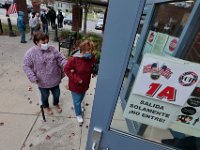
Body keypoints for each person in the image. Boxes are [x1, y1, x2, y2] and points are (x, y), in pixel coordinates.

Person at [23, 32, 67, 115]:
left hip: (55, 79)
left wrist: (66, 65)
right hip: (42, 81)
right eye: (43, 43)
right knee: (45, 96)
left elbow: (61, 59)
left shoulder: (52, 49)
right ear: (36, 42)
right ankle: (46, 106)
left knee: (57, 94)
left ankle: (56, 103)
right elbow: (26, 65)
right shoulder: (31, 53)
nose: (46, 44)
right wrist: (32, 76)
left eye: (47, 42)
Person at [64, 40, 96, 124]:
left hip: (85, 83)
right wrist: (76, 79)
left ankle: (78, 106)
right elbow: (66, 69)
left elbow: (92, 65)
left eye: (91, 50)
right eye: (87, 51)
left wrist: (94, 71)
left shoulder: (91, 57)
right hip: (76, 85)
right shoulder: (74, 59)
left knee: (81, 97)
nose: (89, 53)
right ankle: (78, 114)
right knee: (77, 101)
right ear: (82, 50)